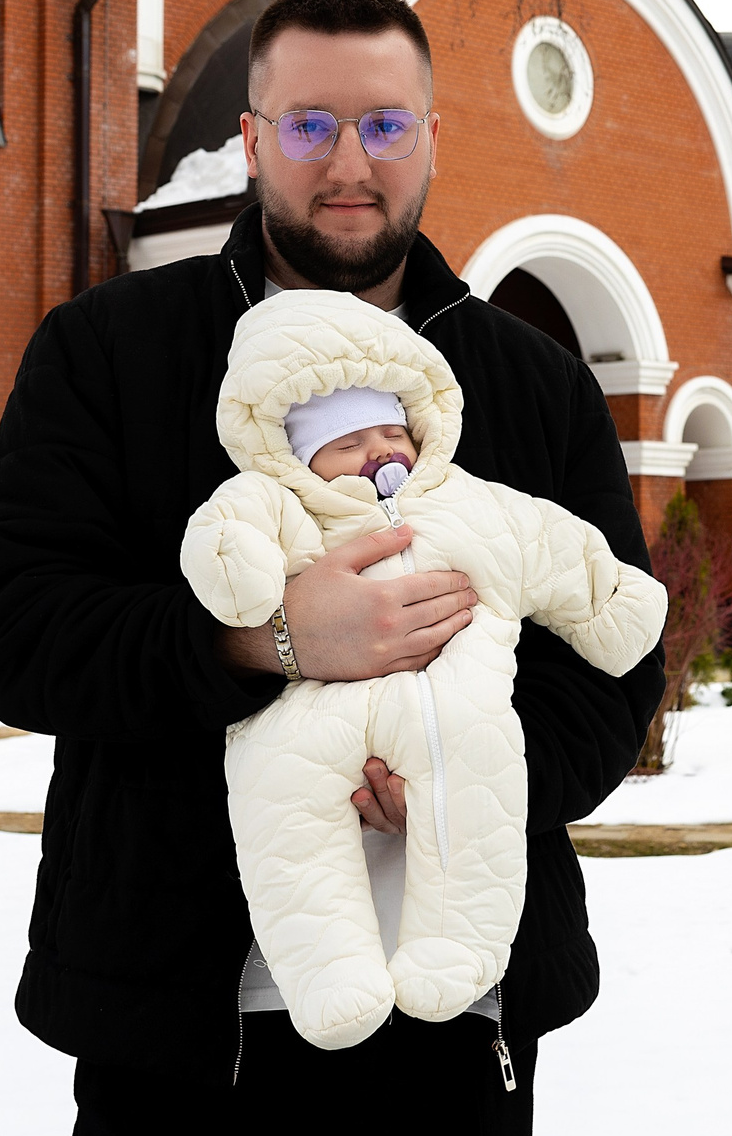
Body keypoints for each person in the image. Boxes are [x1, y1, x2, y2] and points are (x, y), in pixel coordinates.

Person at [0, 0, 662, 1136]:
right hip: (184, 1034)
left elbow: (614, 673)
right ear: (250, 140)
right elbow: (19, 634)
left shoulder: (532, 387)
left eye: (385, 125)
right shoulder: (111, 352)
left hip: (460, 1021)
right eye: (309, 125)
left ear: (434, 138)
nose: (350, 160)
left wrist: (456, 787)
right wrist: (264, 638)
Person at [180, 288, 666, 1051]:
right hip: (310, 717)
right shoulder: (284, 503)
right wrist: (245, 586)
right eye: (346, 443)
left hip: (456, 709)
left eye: (387, 429)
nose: (378, 451)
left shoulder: (468, 501)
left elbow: (549, 543)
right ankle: (328, 968)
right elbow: (223, 534)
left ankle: (459, 948)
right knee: (280, 796)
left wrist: (612, 599)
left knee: (479, 782)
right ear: (297, 456)